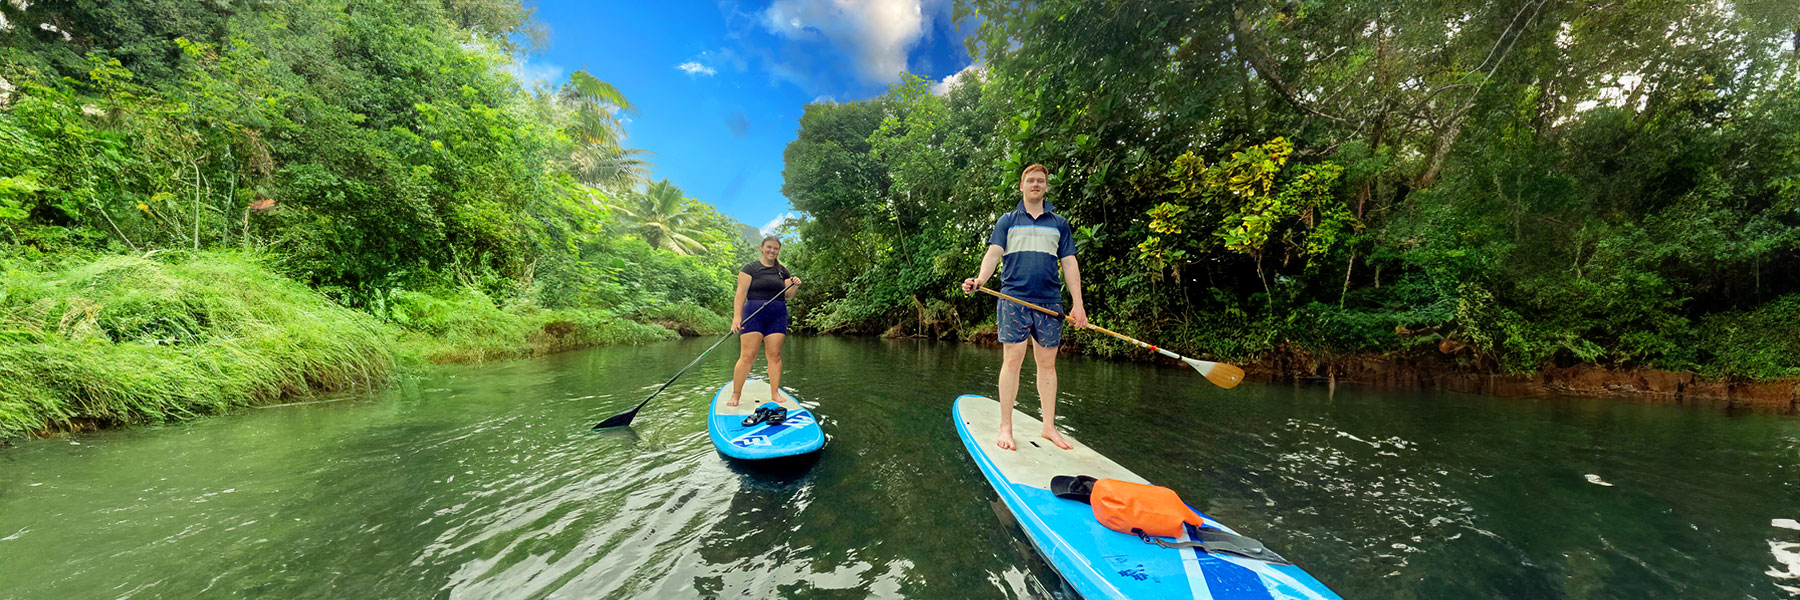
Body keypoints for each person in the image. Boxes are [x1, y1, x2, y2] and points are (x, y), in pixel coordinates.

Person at [962, 164, 1088, 451]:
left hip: (1049, 303)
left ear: (1046, 187)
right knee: (1012, 361)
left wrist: (1078, 304)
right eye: (1030, 180)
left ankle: (1049, 427)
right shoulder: (1007, 221)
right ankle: (1006, 427)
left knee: (1047, 365)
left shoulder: (1059, 223)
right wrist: (980, 280)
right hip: (1013, 300)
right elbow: (993, 254)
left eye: (1040, 181)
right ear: (1022, 186)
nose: (1035, 184)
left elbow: (1069, 263)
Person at [729, 235, 801, 406]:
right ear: (762, 248)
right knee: (748, 356)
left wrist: (795, 285)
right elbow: (740, 293)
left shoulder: (782, 271)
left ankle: (775, 393)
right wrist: (737, 317)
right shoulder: (750, 268)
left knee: (774, 355)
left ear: (779, 251)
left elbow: (788, 295)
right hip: (753, 314)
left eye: (776, 248)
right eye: (769, 247)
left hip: (777, 315)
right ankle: (736, 394)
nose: (772, 251)